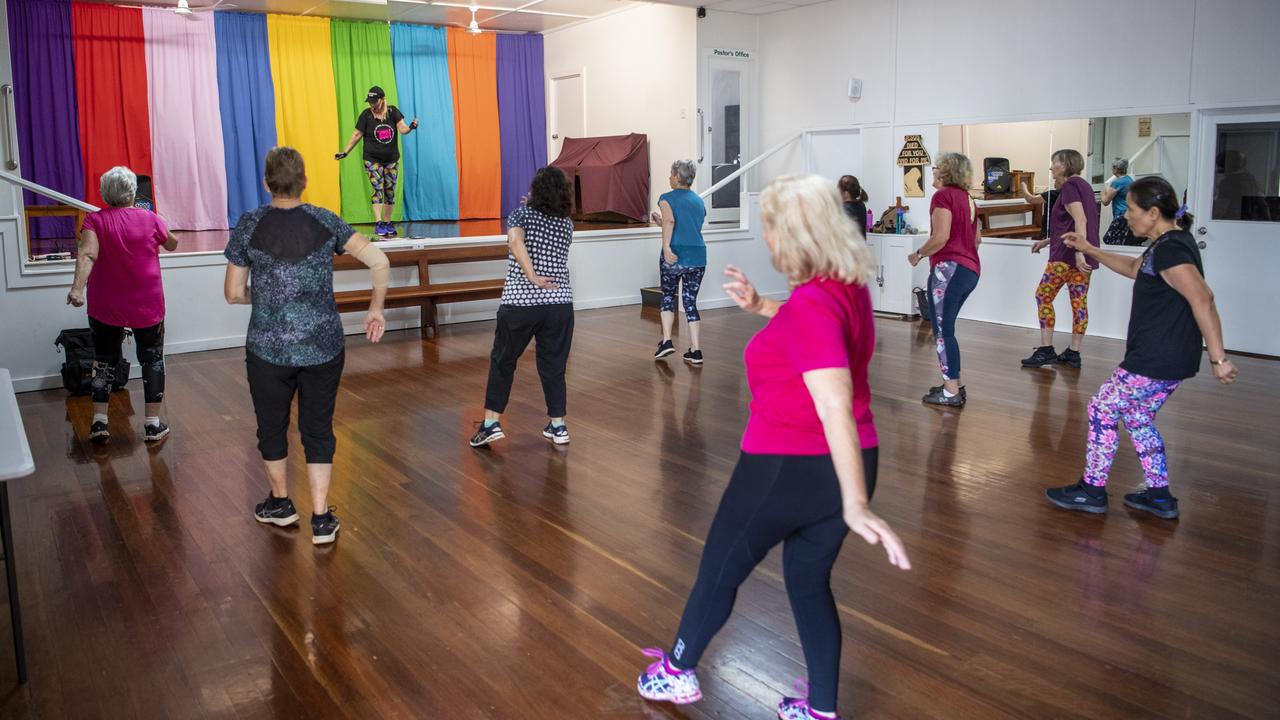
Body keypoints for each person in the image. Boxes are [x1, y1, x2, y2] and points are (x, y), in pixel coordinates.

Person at [635, 175, 911, 720]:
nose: (766, 240)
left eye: (769, 228)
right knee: (808, 583)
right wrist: (765, 308)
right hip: (850, 458)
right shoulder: (844, 285)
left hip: (790, 465)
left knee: (719, 567)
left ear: (795, 234)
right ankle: (820, 709)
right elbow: (818, 338)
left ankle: (677, 672)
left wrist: (856, 505)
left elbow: (834, 403)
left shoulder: (812, 305)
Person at [1045, 176, 1238, 519]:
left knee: (1102, 409)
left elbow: (1203, 298)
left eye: (1131, 210)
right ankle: (1160, 496)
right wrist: (1089, 248)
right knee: (1137, 417)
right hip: (1171, 359)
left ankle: (1092, 490)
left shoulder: (1171, 249)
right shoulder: (1168, 243)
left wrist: (1219, 358)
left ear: (1152, 212)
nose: (1126, 216)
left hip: (1155, 357)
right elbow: (1135, 268)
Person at [224, 147, 390, 546]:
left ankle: (280, 505)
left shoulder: (249, 224)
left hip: (267, 349)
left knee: (272, 426)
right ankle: (320, 517)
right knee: (318, 428)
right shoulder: (325, 220)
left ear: (267, 183)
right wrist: (375, 310)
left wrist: (266, 298)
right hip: (324, 347)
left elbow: (232, 293)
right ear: (304, 182)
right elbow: (380, 262)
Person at [65, 166, 179, 444]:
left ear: (105, 193)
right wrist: (161, 227)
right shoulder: (151, 218)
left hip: (106, 304)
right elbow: (173, 244)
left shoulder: (94, 221)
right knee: (151, 358)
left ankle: (100, 423)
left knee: (103, 360)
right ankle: (152, 425)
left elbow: (87, 254)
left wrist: (77, 288)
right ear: (132, 192)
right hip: (146, 302)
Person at [469, 167, 576, 448]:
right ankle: (558, 426)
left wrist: (531, 276)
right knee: (554, 366)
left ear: (535, 190)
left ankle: (491, 423)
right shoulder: (566, 223)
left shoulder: (520, 215)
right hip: (559, 304)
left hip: (521, 302)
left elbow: (516, 241)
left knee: (503, 361)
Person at [908, 153, 981, 407]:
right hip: (969, 271)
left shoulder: (943, 196)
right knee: (946, 329)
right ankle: (954, 384)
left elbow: (940, 237)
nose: (934, 170)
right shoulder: (969, 199)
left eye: (937, 167)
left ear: (946, 172)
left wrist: (918, 254)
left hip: (948, 270)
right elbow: (977, 240)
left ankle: (950, 392)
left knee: (941, 332)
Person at [1022, 149, 1099, 369]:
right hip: (1080, 255)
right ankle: (1073, 353)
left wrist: (1078, 250)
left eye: (1054, 163)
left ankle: (1046, 349)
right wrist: (1047, 241)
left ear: (1064, 165)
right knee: (1079, 302)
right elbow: (1069, 223)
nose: (1051, 168)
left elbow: (1080, 220)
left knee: (1043, 296)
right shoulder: (1083, 186)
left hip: (1067, 256)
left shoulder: (1070, 186)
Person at [335, 86, 418, 239]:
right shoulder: (366, 116)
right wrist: (345, 152)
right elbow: (356, 135)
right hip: (372, 159)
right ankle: (379, 222)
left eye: (374, 101)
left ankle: (387, 222)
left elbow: (402, 129)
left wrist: (411, 127)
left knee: (390, 190)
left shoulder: (393, 112)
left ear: (382, 99)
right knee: (377, 186)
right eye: (370, 101)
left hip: (391, 159)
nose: (372, 104)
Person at [651, 160, 708, 365]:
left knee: (668, 295)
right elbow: (687, 227)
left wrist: (666, 247)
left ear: (677, 176)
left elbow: (671, 222)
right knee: (690, 302)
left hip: (675, 255)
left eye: (670, 174)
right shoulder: (699, 201)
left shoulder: (666, 198)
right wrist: (661, 223)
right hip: (698, 256)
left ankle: (667, 341)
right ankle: (696, 350)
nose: (669, 177)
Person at [1100, 157, 1136, 245]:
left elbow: (1105, 201)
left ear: (1116, 168)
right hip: (1130, 215)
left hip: (1121, 216)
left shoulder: (1117, 183)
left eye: (1113, 167)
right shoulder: (1130, 180)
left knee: (1109, 240)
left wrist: (1102, 192)